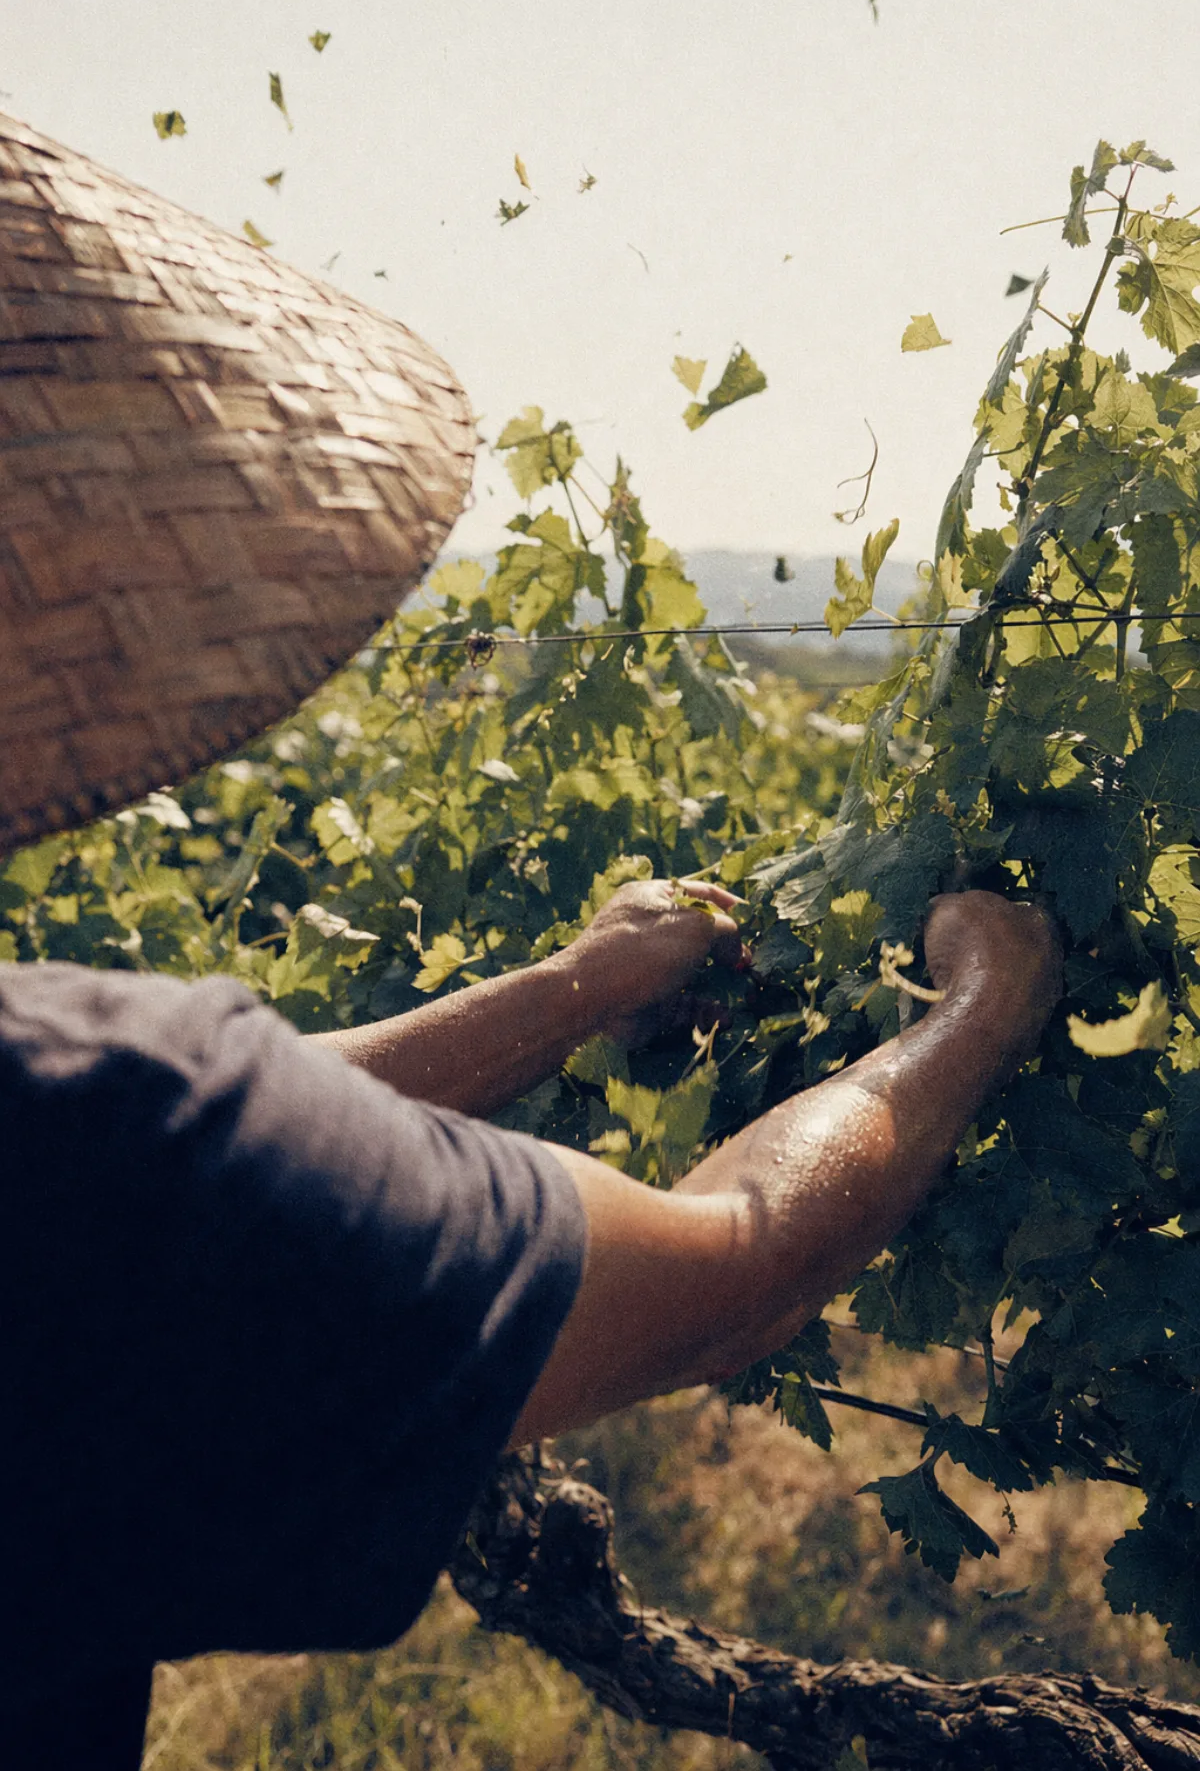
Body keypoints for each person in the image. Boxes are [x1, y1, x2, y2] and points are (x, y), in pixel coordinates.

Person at [0, 110, 1061, 1769]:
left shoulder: (98, 1124)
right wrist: (983, 1007)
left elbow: (256, 1118)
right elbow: (738, 1268)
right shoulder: (80, 1145)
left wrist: (574, 988)